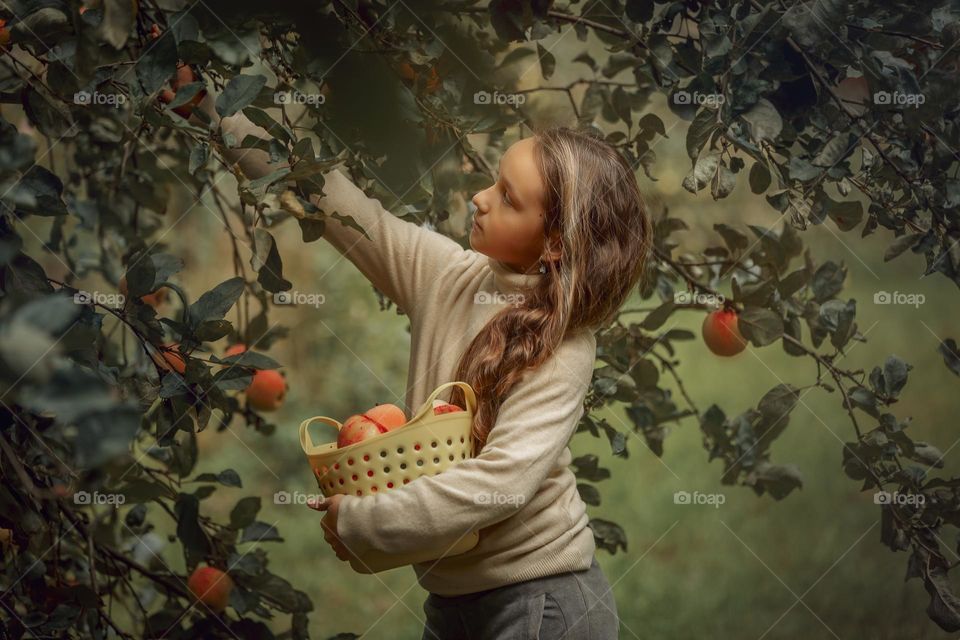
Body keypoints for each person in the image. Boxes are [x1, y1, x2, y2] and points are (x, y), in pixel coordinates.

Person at [189, 85, 651, 639]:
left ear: (554, 243)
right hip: (452, 599)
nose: (480, 197)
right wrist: (209, 107)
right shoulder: (447, 276)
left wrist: (365, 520)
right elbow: (341, 206)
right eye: (493, 183)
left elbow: (500, 482)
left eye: (508, 197)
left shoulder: (564, 348)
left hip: (541, 603)